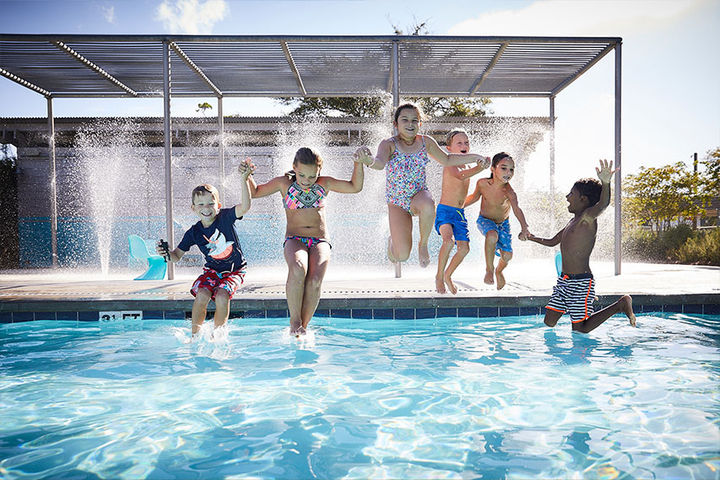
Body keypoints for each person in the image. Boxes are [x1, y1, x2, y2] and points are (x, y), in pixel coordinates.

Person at [357, 103, 490, 276]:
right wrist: (368, 161)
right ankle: (393, 245)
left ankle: (423, 244)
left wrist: (477, 158)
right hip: (397, 203)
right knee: (402, 256)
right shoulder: (388, 144)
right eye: (404, 120)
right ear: (396, 124)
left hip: (419, 196)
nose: (410, 124)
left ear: (420, 123)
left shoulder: (425, 142)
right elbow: (380, 163)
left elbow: (448, 159)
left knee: (429, 204)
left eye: (415, 120)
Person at [247, 147, 367, 336]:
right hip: (295, 239)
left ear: (319, 171)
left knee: (315, 280)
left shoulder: (324, 183)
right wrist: (247, 176)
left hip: (320, 240)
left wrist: (358, 163)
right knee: (298, 268)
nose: (306, 181)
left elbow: (355, 187)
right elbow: (254, 192)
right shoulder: (284, 183)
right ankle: (295, 321)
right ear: (294, 167)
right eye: (302, 175)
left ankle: (304, 325)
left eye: (312, 177)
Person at [527, 159, 636, 333]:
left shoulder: (587, 218)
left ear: (583, 199)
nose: (566, 197)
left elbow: (603, 204)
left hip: (580, 282)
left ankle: (620, 305)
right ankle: (613, 306)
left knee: (580, 329)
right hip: (564, 281)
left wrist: (606, 183)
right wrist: (530, 238)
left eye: (571, 194)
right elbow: (551, 242)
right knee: (549, 321)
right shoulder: (572, 221)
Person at [157, 159, 254, 336]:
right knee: (202, 294)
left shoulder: (225, 217)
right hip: (211, 271)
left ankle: (218, 335)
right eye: (201, 205)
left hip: (235, 271)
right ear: (193, 208)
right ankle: (195, 335)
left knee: (223, 294)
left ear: (218, 205)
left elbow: (246, 207)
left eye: (211, 204)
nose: (206, 208)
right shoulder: (194, 232)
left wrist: (244, 180)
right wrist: (166, 254)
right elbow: (176, 256)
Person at [434, 128, 489, 294]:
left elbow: (464, 197)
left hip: (459, 213)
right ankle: (438, 276)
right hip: (444, 211)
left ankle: (447, 275)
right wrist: (481, 167)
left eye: (466, 142)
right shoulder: (450, 163)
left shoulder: (467, 165)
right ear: (449, 148)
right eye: (459, 143)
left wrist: (480, 194)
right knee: (448, 241)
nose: (464, 145)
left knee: (464, 248)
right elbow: (461, 176)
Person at [464, 152, 530, 290]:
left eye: (512, 169)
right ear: (493, 169)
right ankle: (489, 269)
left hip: (503, 224)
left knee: (507, 256)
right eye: (504, 168)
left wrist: (524, 228)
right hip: (485, 220)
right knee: (492, 235)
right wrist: (457, 205)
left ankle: (499, 271)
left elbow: (517, 209)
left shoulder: (509, 192)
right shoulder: (482, 184)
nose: (509, 172)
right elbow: (474, 197)